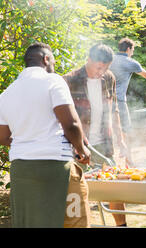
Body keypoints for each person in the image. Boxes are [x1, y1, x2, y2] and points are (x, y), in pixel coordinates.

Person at [0, 42, 91, 228]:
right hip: (56, 166)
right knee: (73, 221)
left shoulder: (6, 93)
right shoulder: (53, 81)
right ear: (46, 59)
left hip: (21, 171)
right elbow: (71, 124)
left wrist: (29, 142)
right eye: (53, 62)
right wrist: (82, 149)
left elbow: (2, 137)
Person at [63, 43, 128, 227]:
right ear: (89, 60)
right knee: (75, 193)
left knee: (114, 188)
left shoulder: (109, 78)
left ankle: (122, 225)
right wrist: (77, 145)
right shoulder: (69, 80)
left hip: (104, 143)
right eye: (99, 67)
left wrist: (120, 139)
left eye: (106, 68)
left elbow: (114, 110)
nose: (102, 71)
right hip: (76, 147)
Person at [109, 37, 146, 165]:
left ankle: (108, 162)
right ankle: (129, 161)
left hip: (105, 101)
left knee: (107, 130)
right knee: (126, 131)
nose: (133, 52)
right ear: (129, 49)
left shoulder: (110, 59)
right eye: (133, 49)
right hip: (119, 101)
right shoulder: (130, 62)